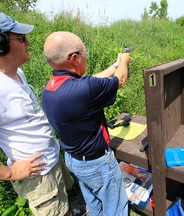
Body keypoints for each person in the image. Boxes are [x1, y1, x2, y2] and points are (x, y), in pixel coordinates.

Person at [42, 31, 130, 216]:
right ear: (75, 59)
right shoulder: (84, 89)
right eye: (85, 54)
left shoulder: (50, 87)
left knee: (94, 203)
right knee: (116, 208)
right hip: (97, 163)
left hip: (74, 160)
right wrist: (123, 61)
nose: (86, 58)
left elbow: (90, 82)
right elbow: (120, 80)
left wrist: (114, 64)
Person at [0, 13, 75, 216]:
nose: (28, 42)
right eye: (21, 38)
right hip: (38, 175)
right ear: (1, 44)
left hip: (51, 160)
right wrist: (10, 172)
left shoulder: (17, 74)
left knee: (66, 202)